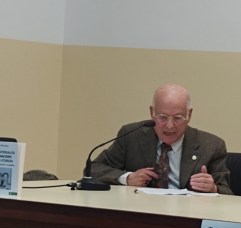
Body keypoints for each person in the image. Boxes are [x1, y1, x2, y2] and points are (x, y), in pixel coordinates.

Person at [89, 83, 232, 194]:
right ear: (152, 112)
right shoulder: (131, 135)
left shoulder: (211, 146)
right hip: (140, 213)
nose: (169, 126)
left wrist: (212, 188)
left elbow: (227, 192)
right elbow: (93, 169)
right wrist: (127, 178)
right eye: (162, 117)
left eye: (177, 118)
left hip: (187, 216)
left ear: (189, 115)